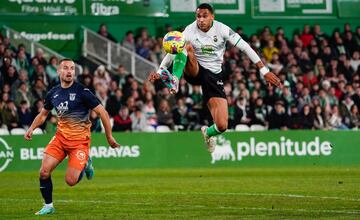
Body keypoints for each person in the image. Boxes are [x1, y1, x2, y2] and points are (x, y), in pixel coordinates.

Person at [148, 3, 281, 152]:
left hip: (214, 76)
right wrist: (160, 71)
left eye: (205, 16)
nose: (201, 19)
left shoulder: (222, 29)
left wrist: (264, 71)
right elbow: (173, 50)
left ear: (212, 16)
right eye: (198, 16)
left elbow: (245, 47)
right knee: (185, 46)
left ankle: (208, 132)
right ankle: (175, 80)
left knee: (222, 125)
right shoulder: (189, 31)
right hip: (195, 70)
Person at [24, 58, 120, 216]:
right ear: (59, 71)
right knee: (43, 172)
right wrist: (31, 128)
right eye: (66, 68)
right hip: (60, 139)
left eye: (72, 69)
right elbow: (43, 115)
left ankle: (86, 163)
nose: (69, 71)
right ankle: (48, 206)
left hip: (79, 143)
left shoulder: (83, 92)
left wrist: (109, 137)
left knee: (70, 181)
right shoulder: (53, 93)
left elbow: (103, 112)